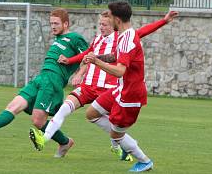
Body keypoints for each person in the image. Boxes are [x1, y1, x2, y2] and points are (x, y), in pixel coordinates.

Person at [28, 10, 179, 161]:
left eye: (105, 24)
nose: (101, 27)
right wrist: (70, 60)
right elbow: (87, 53)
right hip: (88, 87)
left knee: (113, 124)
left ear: (113, 24)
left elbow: (142, 31)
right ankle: (44, 138)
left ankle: (119, 147)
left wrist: (164, 21)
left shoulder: (122, 38)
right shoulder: (98, 39)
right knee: (64, 108)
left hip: (107, 88)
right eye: (100, 24)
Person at [0, 8, 89, 157]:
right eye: (51, 23)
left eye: (56, 23)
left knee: (38, 121)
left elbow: (88, 56)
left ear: (66, 24)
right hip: (41, 78)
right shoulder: (58, 39)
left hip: (53, 81)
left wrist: (80, 74)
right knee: (13, 106)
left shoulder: (74, 38)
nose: (53, 26)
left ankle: (65, 142)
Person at [78, 1, 153, 172]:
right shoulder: (125, 34)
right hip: (120, 90)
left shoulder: (127, 39)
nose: (107, 19)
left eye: (109, 16)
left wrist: (95, 61)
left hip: (130, 95)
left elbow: (119, 71)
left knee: (115, 135)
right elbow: (115, 57)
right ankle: (125, 139)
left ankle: (144, 160)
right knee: (91, 113)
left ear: (117, 19)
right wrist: (96, 57)